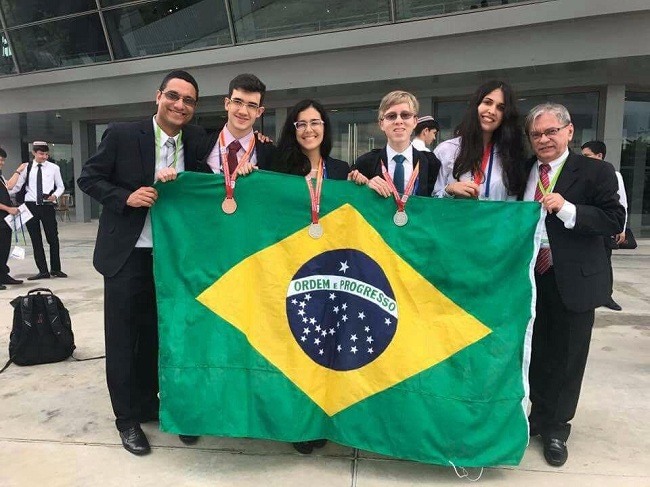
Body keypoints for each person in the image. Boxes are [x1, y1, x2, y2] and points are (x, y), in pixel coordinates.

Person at [77, 70, 206, 456]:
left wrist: (261, 139)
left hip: (170, 258)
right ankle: (127, 419)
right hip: (127, 255)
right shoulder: (121, 134)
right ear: (158, 96)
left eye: (189, 100)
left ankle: (150, 404)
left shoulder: (197, 140)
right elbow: (88, 178)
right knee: (122, 341)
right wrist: (125, 197)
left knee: (156, 336)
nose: (180, 105)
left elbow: (234, 149)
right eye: (174, 96)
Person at [522, 103, 625, 467]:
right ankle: (535, 416)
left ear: (568, 132)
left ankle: (556, 428)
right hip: (528, 278)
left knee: (567, 356)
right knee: (535, 350)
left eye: (551, 131)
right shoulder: (525, 171)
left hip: (573, 279)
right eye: (537, 134)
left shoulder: (596, 171)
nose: (544, 139)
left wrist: (567, 209)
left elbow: (614, 219)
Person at [433, 80, 525, 200]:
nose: (492, 111)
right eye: (487, 102)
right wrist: (449, 190)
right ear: (476, 105)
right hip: (454, 218)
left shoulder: (510, 156)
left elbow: (512, 206)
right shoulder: (446, 150)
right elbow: (430, 202)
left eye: (501, 108)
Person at [351, 90, 440, 199]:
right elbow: (351, 199)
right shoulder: (365, 163)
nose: (398, 121)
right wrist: (366, 187)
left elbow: (438, 201)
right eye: (391, 116)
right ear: (381, 124)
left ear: (415, 122)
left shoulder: (431, 162)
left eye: (405, 115)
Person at [581, 140, 627, 311]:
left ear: (599, 156)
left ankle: (607, 295)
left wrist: (621, 229)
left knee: (605, 262)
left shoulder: (612, 174)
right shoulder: (583, 173)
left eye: (588, 156)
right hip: (589, 225)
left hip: (605, 226)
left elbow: (621, 203)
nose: (584, 159)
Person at [199, 73, 275, 174]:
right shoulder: (199, 145)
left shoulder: (271, 154)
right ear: (227, 104)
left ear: (259, 112)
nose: (243, 111)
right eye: (238, 102)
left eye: (252, 105)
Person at [11, 141, 66, 280]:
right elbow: (17, 187)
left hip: (47, 205)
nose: (44, 157)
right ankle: (43, 271)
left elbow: (61, 186)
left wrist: (55, 195)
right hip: (30, 206)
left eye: (47, 154)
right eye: (41, 154)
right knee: (36, 239)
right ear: (34, 153)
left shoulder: (54, 168)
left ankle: (56, 269)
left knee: (53, 237)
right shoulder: (27, 168)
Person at [0, 147, 24, 288]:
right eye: (0, 160)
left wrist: (18, 171)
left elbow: (9, 186)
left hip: (5, 220)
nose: (2, 163)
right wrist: (9, 208)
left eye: (3, 160)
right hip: (3, 215)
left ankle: (3, 275)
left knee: (4, 249)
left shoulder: (1, 176)